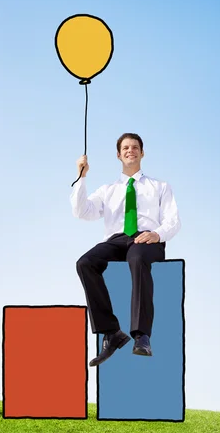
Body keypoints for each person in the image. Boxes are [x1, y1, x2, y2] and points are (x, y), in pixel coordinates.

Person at [70, 133, 181, 367]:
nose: (131, 150)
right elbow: (82, 212)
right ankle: (111, 332)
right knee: (85, 263)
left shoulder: (160, 187)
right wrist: (81, 177)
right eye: (125, 148)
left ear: (142, 153)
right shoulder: (107, 190)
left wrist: (157, 234)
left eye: (135, 147)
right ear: (119, 155)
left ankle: (142, 336)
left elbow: (173, 220)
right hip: (116, 239)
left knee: (138, 258)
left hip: (146, 237)